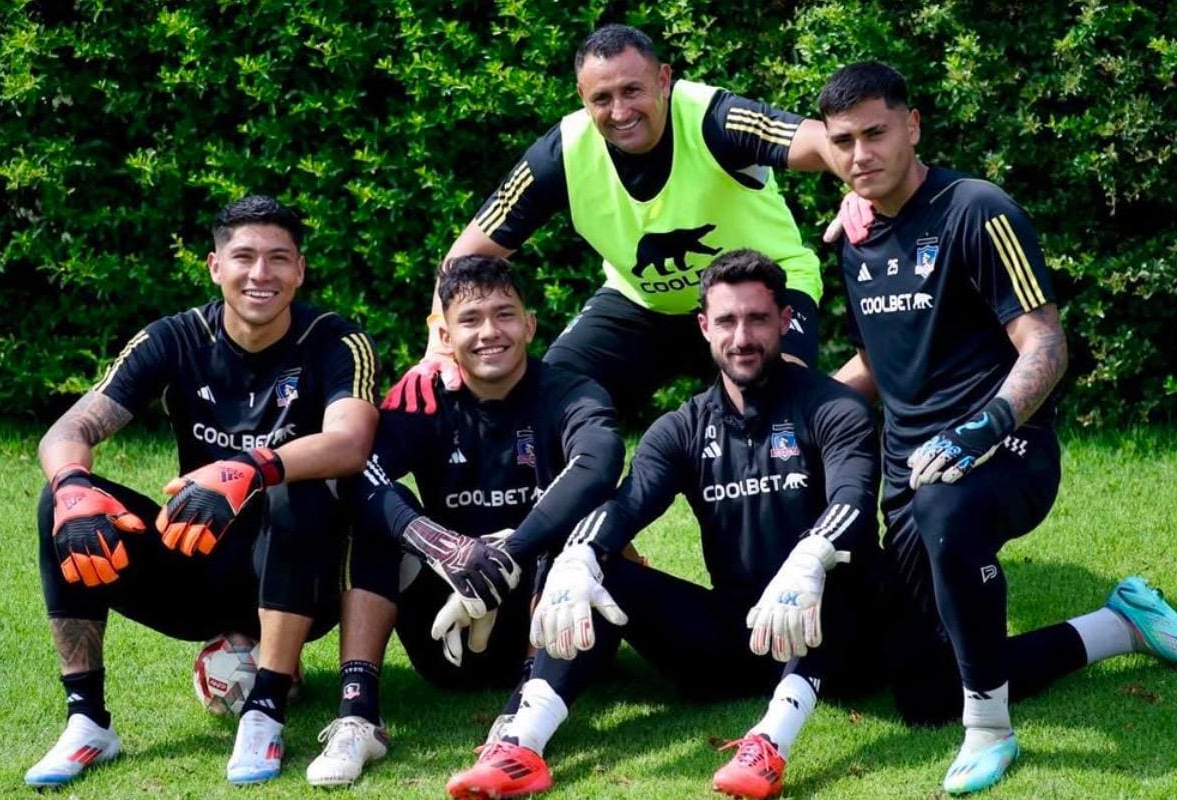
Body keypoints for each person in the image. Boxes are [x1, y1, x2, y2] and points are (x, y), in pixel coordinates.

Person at [820, 62, 1177, 794]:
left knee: (948, 507)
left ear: (912, 126)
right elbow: (875, 361)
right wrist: (798, 409)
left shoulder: (976, 209)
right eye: (844, 141)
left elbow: (1045, 343)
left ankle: (991, 731)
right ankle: (1123, 625)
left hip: (1007, 450)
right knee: (920, 694)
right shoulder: (854, 239)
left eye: (875, 133)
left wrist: (981, 427)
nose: (860, 155)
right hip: (909, 474)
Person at [446, 250, 883, 799]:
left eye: (757, 319)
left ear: (786, 322)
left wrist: (808, 557)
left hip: (839, 639)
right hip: (737, 637)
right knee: (593, 569)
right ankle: (520, 746)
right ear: (704, 327)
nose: (741, 337)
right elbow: (626, 506)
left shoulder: (834, 408)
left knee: (829, 568)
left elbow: (854, 499)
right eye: (726, 321)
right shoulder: (681, 427)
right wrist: (577, 558)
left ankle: (771, 744)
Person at [26, 195, 380, 787]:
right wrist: (70, 483)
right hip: (195, 559)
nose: (259, 274)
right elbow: (72, 428)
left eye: (277, 259)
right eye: (242, 257)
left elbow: (352, 442)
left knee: (300, 490)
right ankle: (87, 720)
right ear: (215, 266)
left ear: (299, 270)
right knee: (59, 506)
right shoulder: (174, 337)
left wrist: (249, 468)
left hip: (299, 577)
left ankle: (265, 709)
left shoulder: (336, 341)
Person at [385, 23, 861, 420]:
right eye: (602, 98)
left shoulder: (712, 115)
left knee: (776, 407)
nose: (620, 111)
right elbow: (464, 258)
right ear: (581, 96)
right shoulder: (561, 154)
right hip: (642, 302)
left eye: (632, 90)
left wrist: (859, 189)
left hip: (761, 291)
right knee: (545, 407)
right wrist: (438, 345)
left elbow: (819, 139)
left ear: (663, 79)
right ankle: (599, 536)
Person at [305, 254, 624, 787]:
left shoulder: (571, 390)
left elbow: (599, 463)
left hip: (550, 623)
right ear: (446, 336)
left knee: (574, 524)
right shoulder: (423, 396)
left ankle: (524, 708)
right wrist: (444, 548)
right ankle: (358, 714)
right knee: (376, 522)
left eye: (504, 315)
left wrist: (506, 553)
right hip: (448, 627)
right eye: (471, 320)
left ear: (529, 324)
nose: (489, 332)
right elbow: (362, 476)